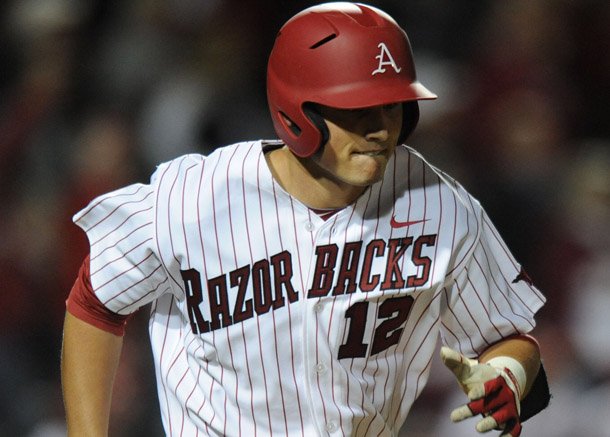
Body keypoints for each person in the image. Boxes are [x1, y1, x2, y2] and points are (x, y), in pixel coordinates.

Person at [61, 2, 550, 436]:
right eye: (357, 110)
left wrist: (507, 374)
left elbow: (507, 338)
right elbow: (95, 301)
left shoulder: (440, 206)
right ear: (298, 110)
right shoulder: (194, 198)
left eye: (393, 106)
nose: (381, 129)